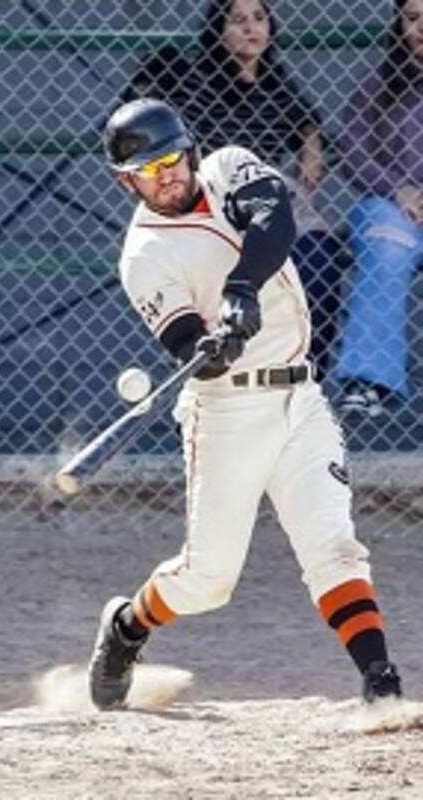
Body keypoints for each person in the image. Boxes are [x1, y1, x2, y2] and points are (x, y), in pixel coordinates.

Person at [89, 98, 402, 711]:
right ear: (127, 182)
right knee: (209, 579)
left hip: (301, 397)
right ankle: (127, 626)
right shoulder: (145, 256)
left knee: (333, 546)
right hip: (227, 412)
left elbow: (275, 220)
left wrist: (239, 289)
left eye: (172, 160)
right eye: (149, 171)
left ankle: (380, 681)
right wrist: (214, 347)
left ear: (191, 151)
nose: (167, 177)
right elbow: (187, 343)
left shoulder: (228, 166)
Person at [124, 0, 346, 378]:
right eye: (238, 20)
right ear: (219, 31)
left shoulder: (275, 84)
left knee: (319, 259)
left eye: (259, 19)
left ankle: (310, 371)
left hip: (269, 196)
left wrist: (311, 141)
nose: (250, 28)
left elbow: (306, 118)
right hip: (215, 197)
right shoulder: (197, 80)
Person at [332, 0, 423, 418]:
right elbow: (353, 151)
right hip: (392, 208)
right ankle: (369, 384)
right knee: (387, 249)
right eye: (412, 18)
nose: (421, 28)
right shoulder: (379, 87)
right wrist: (397, 189)